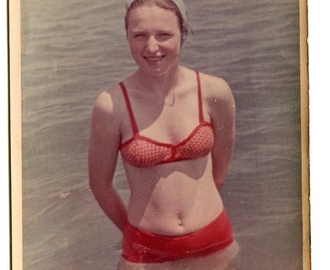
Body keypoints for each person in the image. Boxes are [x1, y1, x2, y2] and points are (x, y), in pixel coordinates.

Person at [88, 0, 239, 269]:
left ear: (183, 32)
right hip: (146, 253)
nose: (152, 47)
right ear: (127, 37)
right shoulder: (111, 105)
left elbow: (220, 170)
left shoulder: (215, 92)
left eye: (164, 35)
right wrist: (135, 236)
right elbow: (100, 185)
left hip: (214, 239)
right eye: (139, 35)